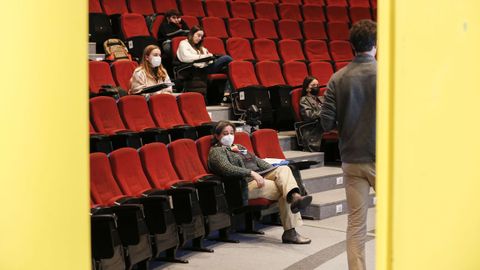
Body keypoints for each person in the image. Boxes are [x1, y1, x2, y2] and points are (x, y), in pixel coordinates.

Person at [320, 20, 377, 270]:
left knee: (356, 225)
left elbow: (325, 123)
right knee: (398, 221)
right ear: (375, 45)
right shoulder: (389, 75)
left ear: (352, 46)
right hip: (382, 159)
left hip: (352, 160)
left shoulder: (337, 78)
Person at [208, 121, 312, 244]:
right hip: (244, 185)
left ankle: (295, 197)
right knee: (284, 190)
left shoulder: (239, 147)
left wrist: (272, 169)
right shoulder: (216, 152)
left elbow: (256, 161)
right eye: (225, 133)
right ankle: (290, 231)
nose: (229, 136)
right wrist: (251, 173)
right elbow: (227, 169)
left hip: (259, 177)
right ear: (217, 135)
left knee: (284, 169)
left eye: (231, 133)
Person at [176, 26, 233, 103]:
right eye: (198, 35)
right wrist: (204, 57)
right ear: (192, 34)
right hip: (195, 69)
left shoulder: (200, 47)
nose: (200, 38)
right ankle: (226, 94)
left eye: (201, 37)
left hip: (205, 67)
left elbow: (209, 55)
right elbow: (187, 57)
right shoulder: (184, 43)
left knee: (230, 69)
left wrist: (208, 58)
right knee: (227, 58)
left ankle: (227, 93)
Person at [298, 76, 324, 152]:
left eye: (317, 85)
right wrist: (324, 111)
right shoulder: (304, 100)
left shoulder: (321, 98)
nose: (316, 87)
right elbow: (308, 116)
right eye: (313, 85)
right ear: (307, 88)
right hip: (314, 127)